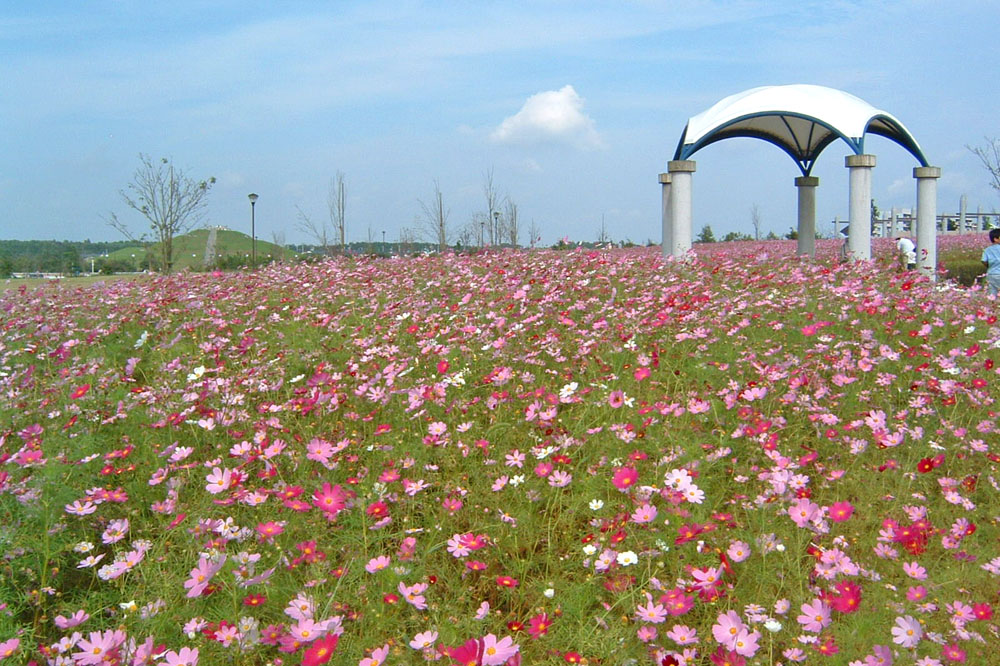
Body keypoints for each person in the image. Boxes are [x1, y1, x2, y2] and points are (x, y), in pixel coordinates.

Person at [981, 229, 1000, 297]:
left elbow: (984, 261)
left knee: (992, 293)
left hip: (991, 273)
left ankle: (993, 302)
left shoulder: (987, 250)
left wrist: (990, 266)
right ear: (996, 239)